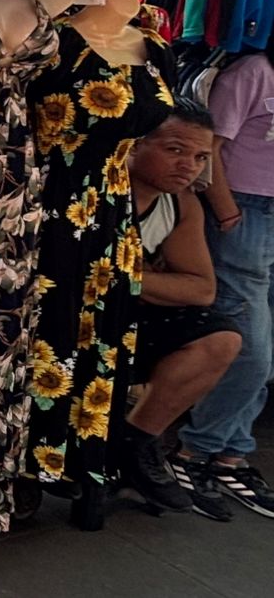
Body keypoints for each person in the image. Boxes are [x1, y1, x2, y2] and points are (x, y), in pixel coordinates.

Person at [120, 103, 242, 520]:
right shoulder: (98, 191)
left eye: (201, 157)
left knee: (221, 336)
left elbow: (201, 288)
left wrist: (128, 278)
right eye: (175, 150)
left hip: (127, 315)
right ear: (135, 146)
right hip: (67, 325)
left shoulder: (181, 205)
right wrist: (153, 282)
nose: (188, 166)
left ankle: (137, 444)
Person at [179, 46, 274, 518]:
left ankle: (230, 453)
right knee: (251, 347)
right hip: (247, 212)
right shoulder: (254, 71)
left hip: (262, 216)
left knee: (265, 347)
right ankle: (195, 452)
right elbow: (208, 147)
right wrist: (227, 211)